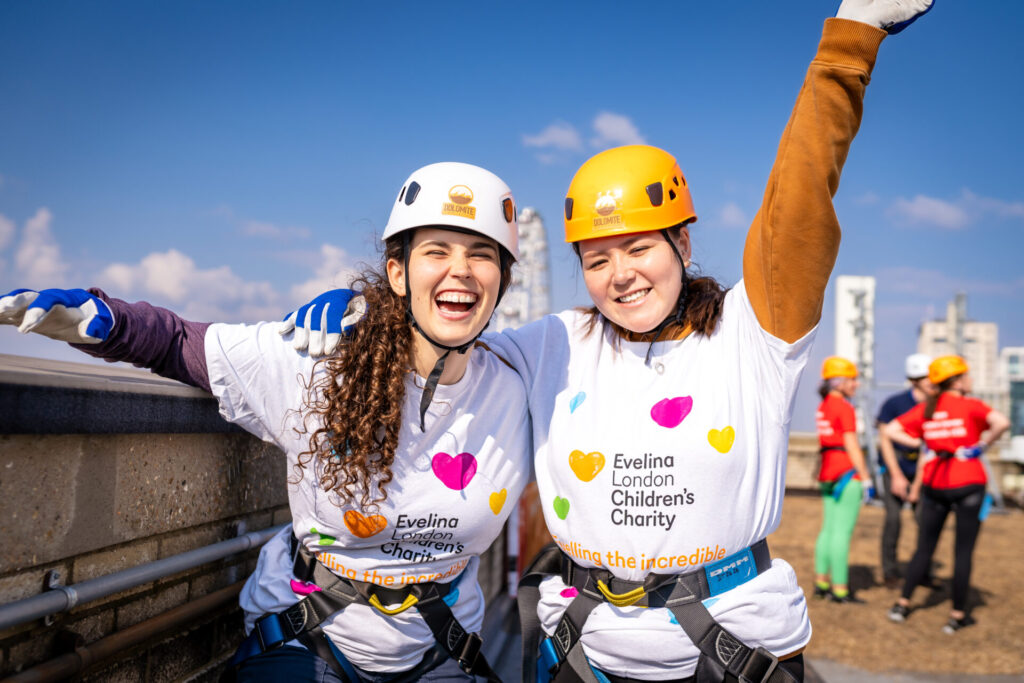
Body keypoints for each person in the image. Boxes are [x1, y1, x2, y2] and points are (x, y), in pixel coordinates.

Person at [288, 3, 936, 679]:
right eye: (597, 260)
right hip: (585, 655)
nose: (620, 275)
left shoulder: (755, 332)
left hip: (736, 651)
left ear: (681, 241)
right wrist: (368, 309)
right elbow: (446, 334)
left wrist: (848, 46)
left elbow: (798, 202)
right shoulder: (552, 345)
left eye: (638, 248)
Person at [0, 162, 532, 681]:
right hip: (312, 637)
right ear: (398, 273)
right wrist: (105, 319)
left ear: (501, 281)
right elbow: (181, 342)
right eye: (436, 251)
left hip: (440, 651)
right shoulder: (320, 361)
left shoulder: (518, 387)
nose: (460, 269)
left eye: (481, 255)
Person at [885, 355, 1009, 634]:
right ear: (958, 379)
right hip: (969, 481)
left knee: (924, 548)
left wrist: (924, 441)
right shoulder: (971, 405)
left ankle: (902, 604)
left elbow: (892, 430)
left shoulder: (928, 408)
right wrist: (981, 446)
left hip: (935, 482)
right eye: (968, 374)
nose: (971, 379)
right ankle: (957, 615)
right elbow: (1001, 422)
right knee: (963, 552)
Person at [813, 356, 872, 604]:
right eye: (852, 379)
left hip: (827, 472)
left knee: (827, 529)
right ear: (839, 382)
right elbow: (852, 445)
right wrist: (867, 478)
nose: (856, 385)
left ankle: (820, 583)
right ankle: (840, 589)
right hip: (847, 474)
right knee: (842, 533)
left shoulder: (824, 406)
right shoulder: (844, 407)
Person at [875, 353, 932, 588]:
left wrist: (917, 485)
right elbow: (884, 440)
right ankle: (890, 573)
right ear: (915, 379)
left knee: (926, 522)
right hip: (894, 466)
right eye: (927, 377)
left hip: (923, 468)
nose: (933, 381)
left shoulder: (935, 405)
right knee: (893, 519)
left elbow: (929, 447)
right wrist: (897, 476)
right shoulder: (893, 404)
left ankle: (923, 573)